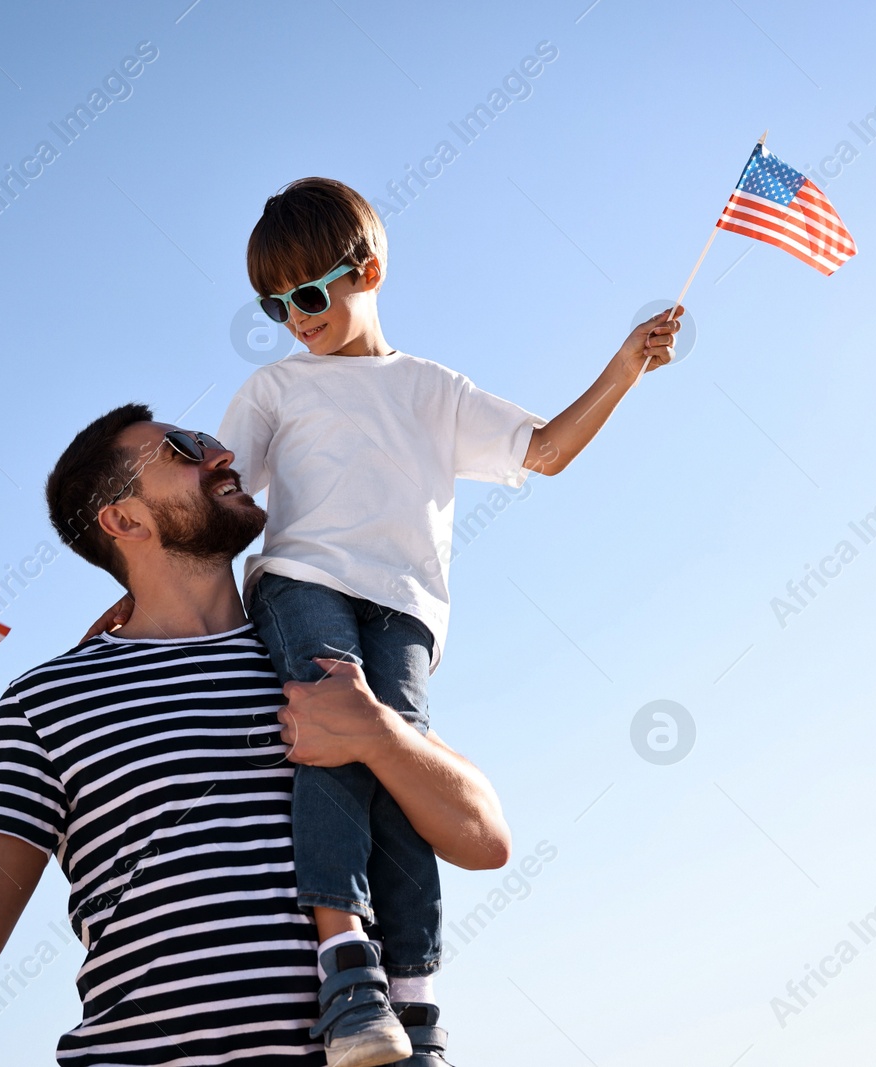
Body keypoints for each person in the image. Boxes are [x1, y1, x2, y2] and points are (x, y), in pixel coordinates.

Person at [88, 177, 681, 1066]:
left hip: (405, 607)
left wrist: (624, 367)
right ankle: (346, 969)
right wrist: (140, 595)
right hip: (301, 581)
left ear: (365, 270)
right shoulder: (275, 389)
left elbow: (546, 451)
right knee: (329, 732)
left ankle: (416, 999)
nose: (296, 317)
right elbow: (214, 503)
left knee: (399, 766)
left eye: (310, 294)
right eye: (274, 304)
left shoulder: (432, 390)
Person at [0, 404, 511, 1067]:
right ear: (124, 519)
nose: (223, 454)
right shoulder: (46, 704)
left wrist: (379, 735)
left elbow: (485, 838)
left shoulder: (319, 657)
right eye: (187, 451)